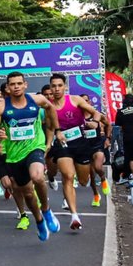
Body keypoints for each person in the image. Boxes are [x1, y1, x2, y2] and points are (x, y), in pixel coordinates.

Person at [0, 71, 58, 241]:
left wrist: (53, 133)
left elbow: (50, 108)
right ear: (8, 88)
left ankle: (46, 211)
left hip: (35, 147)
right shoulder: (1, 107)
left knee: (38, 176)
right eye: (12, 84)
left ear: (25, 84)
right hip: (14, 155)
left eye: (19, 83)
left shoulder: (36, 100)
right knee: (28, 194)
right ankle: (39, 221)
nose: (16, 87)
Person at [44, 73, 104, 232]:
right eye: (53, 86)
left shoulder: (75, 99)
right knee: (68, 176)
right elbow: (50, 128)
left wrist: (95, 122)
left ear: (65, 87)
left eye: (59, 86)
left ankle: (81, 184)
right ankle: (74, 215)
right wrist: (48, 144)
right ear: (50, 88)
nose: (56, 89)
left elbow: (96, 113)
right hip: (62, 143)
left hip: (80, 142)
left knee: (83, 181)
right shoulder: (48, 107)